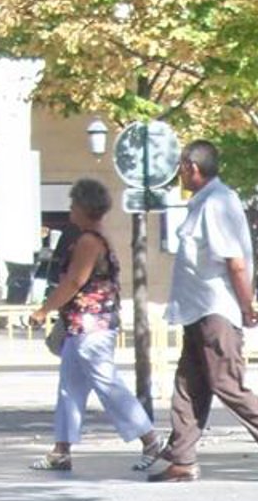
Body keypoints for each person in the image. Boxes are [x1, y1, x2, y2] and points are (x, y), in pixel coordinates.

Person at [149, 141, 258, 484]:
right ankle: (182, 459)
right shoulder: (204, 202)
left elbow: (235, 262)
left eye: (181, 167)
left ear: (192, 167)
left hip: (214, 311)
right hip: (197, 312)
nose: (179, 174)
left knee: (226, 383)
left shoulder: (217, 203)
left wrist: (247, 306)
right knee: (189, 385)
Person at [30, 178, 165, 476]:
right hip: (84, 325)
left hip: (90, 326)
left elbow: (74, 281)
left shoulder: (89, 241)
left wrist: (44, 310)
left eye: (73, 203)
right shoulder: (99, 237)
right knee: (70, 388)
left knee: (107, 384)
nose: (70, 209)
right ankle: (61, 450)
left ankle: (150, 440)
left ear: (83, 206)